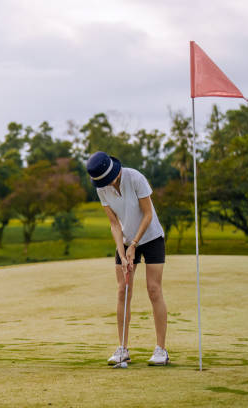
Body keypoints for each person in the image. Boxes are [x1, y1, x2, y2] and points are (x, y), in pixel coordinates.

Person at [86, 151, 169, 366]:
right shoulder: (102, 188)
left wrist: (134, 244)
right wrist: (122, 253)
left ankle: (161, 350)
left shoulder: (136, 178)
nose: (104, 183)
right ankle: (123, 348)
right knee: (123, 289)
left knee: (153, 289)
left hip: (151, 236)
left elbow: (148, 214)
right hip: (125, 238)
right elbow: (114, 224)